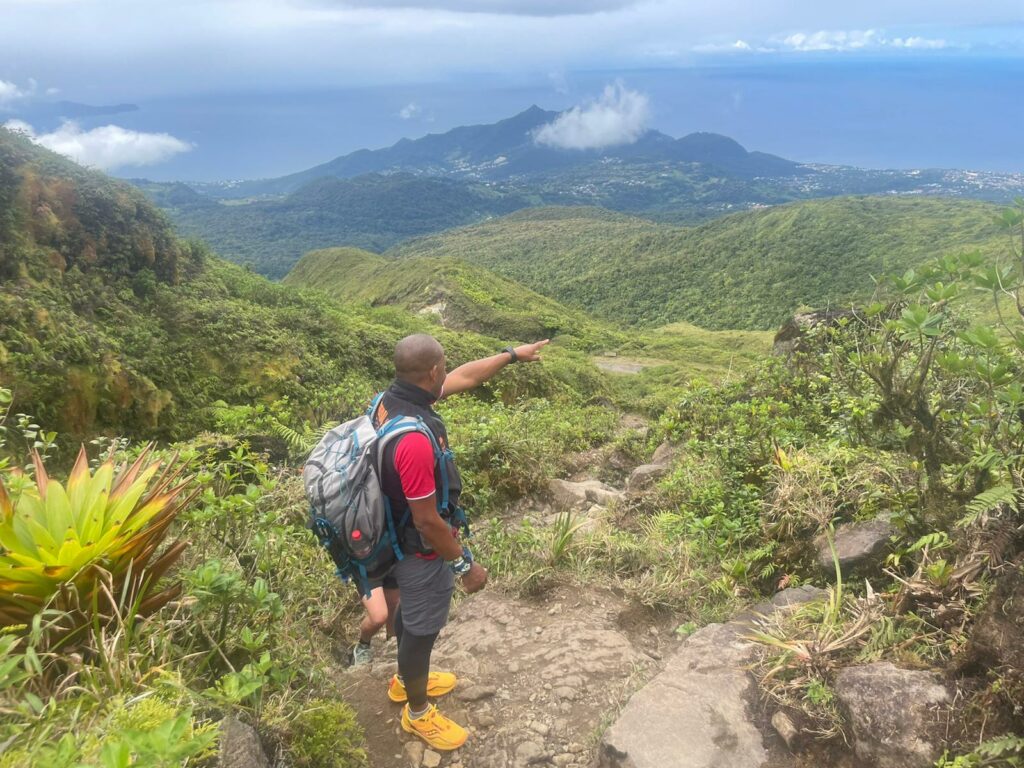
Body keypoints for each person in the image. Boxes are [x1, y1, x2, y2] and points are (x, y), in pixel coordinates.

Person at [371, 334, 549, 751]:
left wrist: (511, 356)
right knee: (420, 630)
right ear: (432, 372)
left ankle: (403, 680)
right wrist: (465, 565)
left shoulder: (390, 400)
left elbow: (466, 376)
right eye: (444, 366)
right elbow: (428, 521)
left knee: (409, 619)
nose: (449, 371)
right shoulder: (413, 440)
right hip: (418, 548)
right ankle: (417, 713)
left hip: (391, 537)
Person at [348, 569, 399, 666]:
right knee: (378, 617)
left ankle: (392, 643)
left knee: (394, 604)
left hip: (392, 562)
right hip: (365, 567)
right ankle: (363, 645)